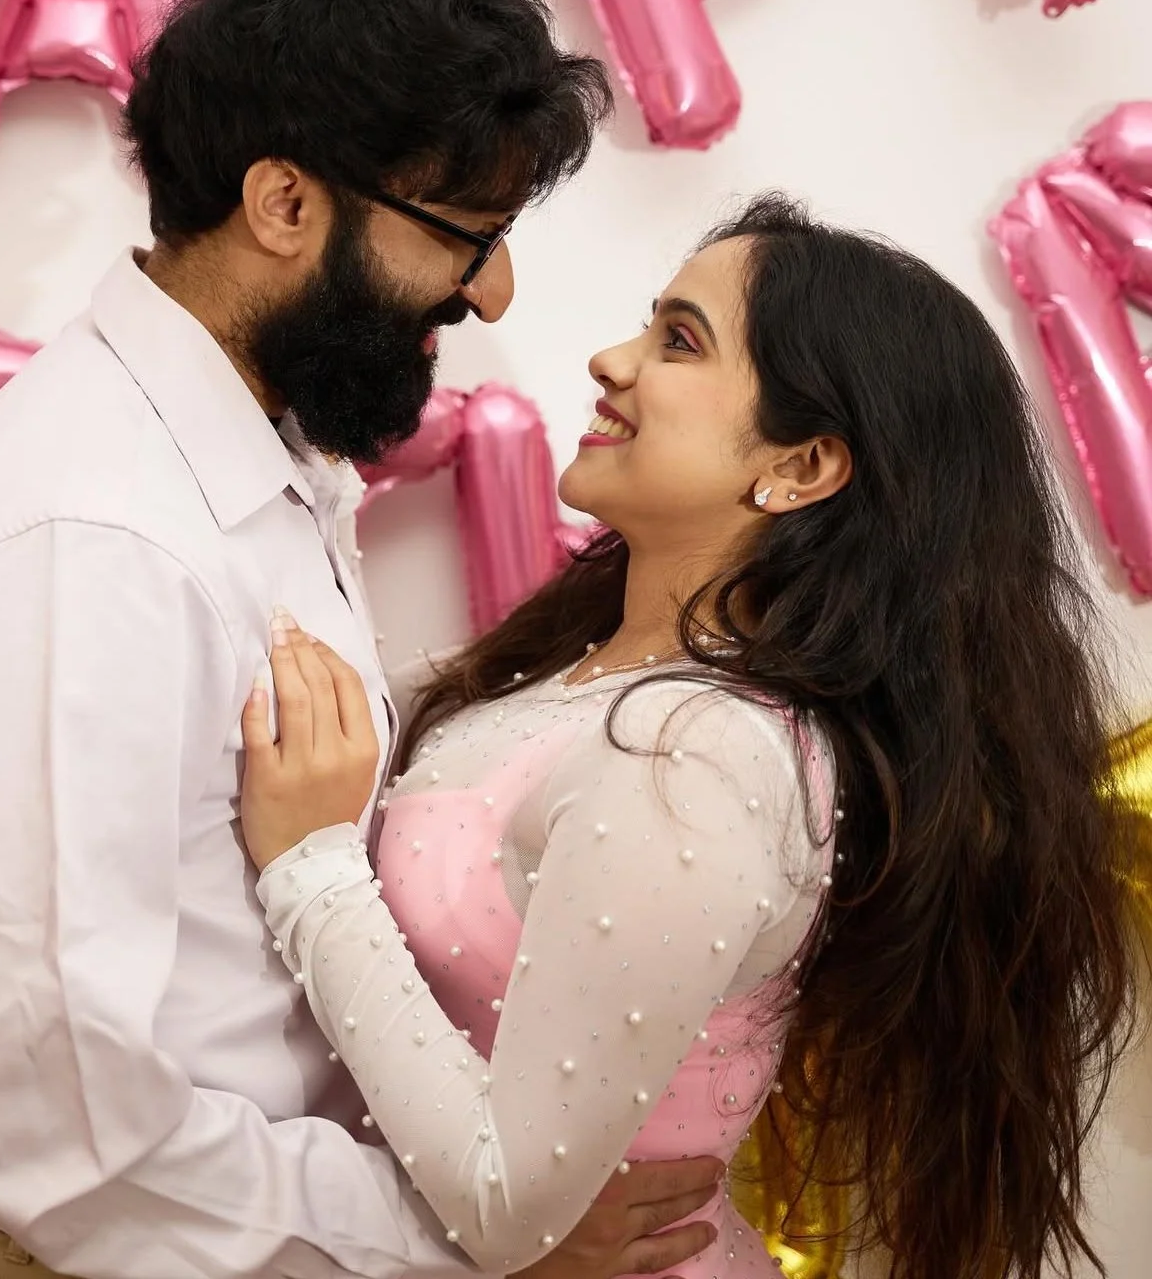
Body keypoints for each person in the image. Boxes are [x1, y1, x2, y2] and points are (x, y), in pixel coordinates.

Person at [0, 0, 724, 1279]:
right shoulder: (89, 547)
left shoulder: (253, 453)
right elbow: (64, 1140)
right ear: (281, 202)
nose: (494, 293)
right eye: (462, 235)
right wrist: (473, 1241)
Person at [238, 193, 1142, 1279]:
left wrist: (313, 867)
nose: (612, 361)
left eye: (679, 340)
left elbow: (505, 1201)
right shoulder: (594, 676)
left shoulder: (696, 754)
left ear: (803, 466)